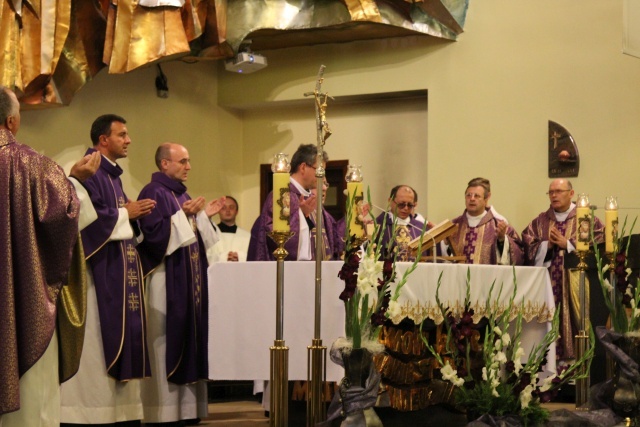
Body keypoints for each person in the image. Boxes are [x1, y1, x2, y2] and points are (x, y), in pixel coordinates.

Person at [0, 86, 99, 426]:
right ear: (12, 121)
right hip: (21, 303)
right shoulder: (32, 165)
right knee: (32, 406)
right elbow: (63, 216)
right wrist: (76, 180)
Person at [61, 114, 157, 427]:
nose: (128, 140)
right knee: (96, 349)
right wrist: (124, 213)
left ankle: (121, 414)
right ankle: (90, 415)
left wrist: (133, 216)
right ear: (104, 139)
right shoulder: (90, 170)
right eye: (122, 135)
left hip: (118, 273)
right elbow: (83, 223)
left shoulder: (112, 176)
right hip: (97, 279)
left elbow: (113, 217)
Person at [136, 143, 224, 425]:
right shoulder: (153, 193)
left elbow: (198, 238)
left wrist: (202, 217)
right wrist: (185, 216)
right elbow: (153, 237)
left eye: (188, 161)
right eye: (183, 161)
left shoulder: (181, 193)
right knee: (165, 342)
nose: (188, 167)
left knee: (191, 336)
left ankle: (189, 410)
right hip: (166, 282)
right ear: (164, 164)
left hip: (189, 282)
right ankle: (165, 412)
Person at [522, 178, 604, 361]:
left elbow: (601, 244)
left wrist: (567, 244)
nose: (554, 195)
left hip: (577, 286)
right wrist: (547, 245)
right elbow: (527, 245)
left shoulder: (586, 220)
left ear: (571, 193)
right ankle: (552, 367)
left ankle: (579, 363)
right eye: (551, 192)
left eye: (559, 191)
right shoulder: (541, 221)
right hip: (549, 286)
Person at [247, 143, 329, 261]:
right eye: (319, 170)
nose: (321, 176)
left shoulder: (307, 198)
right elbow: (276, 237)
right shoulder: (283, 195)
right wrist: (302, 216)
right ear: (303, 167)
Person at [445, 177, 523, 265]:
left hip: (487, 278)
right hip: (458, 277)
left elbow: (519, 257)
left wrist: (502, 239)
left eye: (477, 196)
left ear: (486, 199)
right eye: (468, 195)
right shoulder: (454, 225)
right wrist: (446, 240)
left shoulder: (498, 225)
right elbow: (443, 259)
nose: (472, 199)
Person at [375, 185, 431, 262]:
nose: (406, 208)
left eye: (410, 205)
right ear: (390, 201)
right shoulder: (376, 225)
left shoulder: (421, 228)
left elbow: (431, 259)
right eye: (401, 204)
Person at [209, 196, 251, 262]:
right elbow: (207, 256)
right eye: (223, 208)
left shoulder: (247, 236)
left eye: (231, 207)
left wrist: (240, 257)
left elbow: (253, 256)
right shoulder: (210, 235)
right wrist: (224, 257)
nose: (227, 210)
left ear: (236, 212)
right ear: (218, 211)